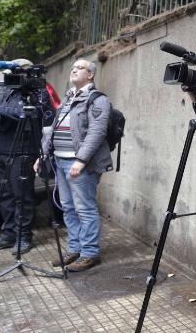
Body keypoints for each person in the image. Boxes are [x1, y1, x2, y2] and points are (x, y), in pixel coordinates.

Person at [36, 59, 112, 272]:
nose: (74, 70)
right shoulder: (69, 97)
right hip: (60, 161)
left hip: (79, 164)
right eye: (72, 67)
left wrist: (80, 160)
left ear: (90, 75)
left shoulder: (98, 100)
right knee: (68, 208)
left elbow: (97, 132)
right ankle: (75, 248)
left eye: (79, 68)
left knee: (84, 208)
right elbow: (52, 129)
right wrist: (42, 155)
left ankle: (90, 253)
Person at [0, 58, 53, 254]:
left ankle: (24, 237)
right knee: (4, 195)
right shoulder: (9, 89)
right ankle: (9, 235)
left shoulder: (37, 91)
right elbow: (6, 114)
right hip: (2, 149)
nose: (8, 74)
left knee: (23, 196)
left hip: (23, 151)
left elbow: (25, 113)